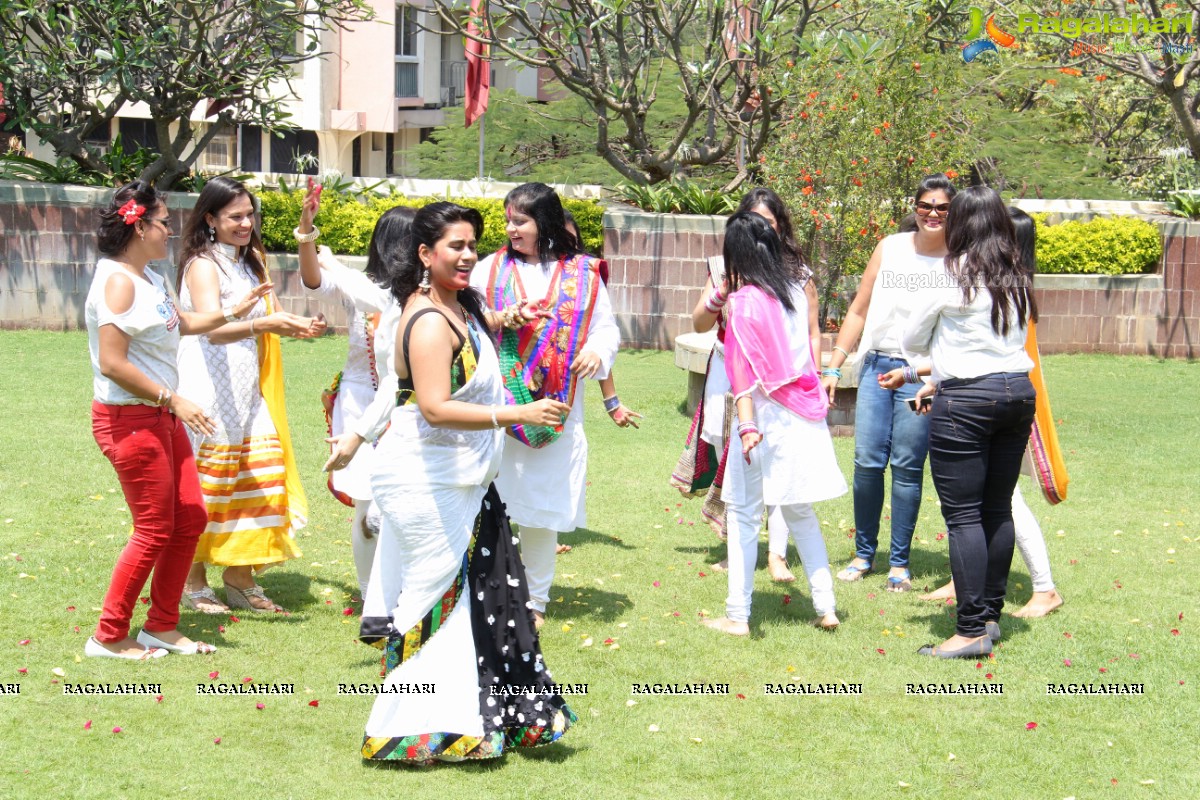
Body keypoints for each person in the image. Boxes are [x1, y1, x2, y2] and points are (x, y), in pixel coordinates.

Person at [353, 202, 575, 763]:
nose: (469, 255)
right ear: (425, 255)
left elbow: (479, 336)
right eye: (455, 246)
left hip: (461, 475)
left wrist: (513, 315)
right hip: (424, 475)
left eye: (473, 245)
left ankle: (464, 721)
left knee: (465, 598)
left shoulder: (459, 305)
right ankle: (404, 725)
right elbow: (433, 407)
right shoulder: (426, 320)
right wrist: (516, 416)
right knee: (432, 595)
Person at [84, 181, 270, 659]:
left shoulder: (149, 277)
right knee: (152, 528)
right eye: (163, 222)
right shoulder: (118, 280)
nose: (170, 230)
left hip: (160, 416)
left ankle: (162, 626)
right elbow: (112, 361)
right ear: (139, 224)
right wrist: (174, 399)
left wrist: (234, 310)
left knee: (189, 517)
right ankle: (108, 636)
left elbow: (182, 322)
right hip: (130, 419)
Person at [892, 208, 1064, 617]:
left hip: (969, 400)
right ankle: (986, 608)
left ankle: (974, 624)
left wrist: (929, 363)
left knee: (966, 515)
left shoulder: (954, 274)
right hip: (1016, 395)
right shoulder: (1016, 279)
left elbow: (913, 337)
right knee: (999, 507)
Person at [469, 183, 621, 629]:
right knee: (487, 497)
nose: (511, 229)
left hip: (558, 408)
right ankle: (482, 587)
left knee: (540, 507)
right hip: (498, 405)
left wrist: (597, 351)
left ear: (545, 222)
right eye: (508, 220)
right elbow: (465, 323)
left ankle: (535, 602)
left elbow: (606, 328)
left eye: (521, 221)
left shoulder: (583, 273)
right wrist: (499, 319)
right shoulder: (486, 271)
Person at [175, 177, 326, 614]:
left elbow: (265, 317)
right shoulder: (204, 265)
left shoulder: (249, 261)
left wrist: (295, 324)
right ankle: (193, 581)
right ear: (210, 219)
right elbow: (213, 329)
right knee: (210, 485)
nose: (245, 223)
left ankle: (240, 578)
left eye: (249, 215)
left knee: (261, 475)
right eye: (234, 216)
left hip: (249, 387)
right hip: (208, 384)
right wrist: (264, 326)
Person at [702, 212, 847, 636]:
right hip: (803, 414)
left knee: (745, 517)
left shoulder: (743, 302)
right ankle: (826, 606)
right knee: (801, 513)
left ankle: (737, 616)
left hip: (764, 419)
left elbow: (743, 375)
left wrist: (746, 428)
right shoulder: (796, 290)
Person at [821, 173, 957, 593]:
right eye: (925, 205)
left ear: (954, 213)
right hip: (877, 366)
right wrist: (834, 365)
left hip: (920, 374)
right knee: (866, 463)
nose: (932, 214)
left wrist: (933, 376)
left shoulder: (960, 259)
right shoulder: (890, 248)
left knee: (908, 466)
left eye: (942, 208)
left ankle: (899, 563)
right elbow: (859, 310)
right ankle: (864, 555)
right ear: (914, 207)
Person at [674, 187, 818, 582]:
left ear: (779, 228)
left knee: (778, 461)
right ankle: (739, 545)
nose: (759, 232)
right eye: (752, 222)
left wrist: (819, 377)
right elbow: (700, 324)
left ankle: (777, 555)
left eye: (767, 224)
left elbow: (811, 333)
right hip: (727, 370)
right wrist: (723, 291)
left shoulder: (795, 273)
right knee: (732, 456)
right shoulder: (723, 268)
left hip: (779, 382)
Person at [296, 182, 415, 595]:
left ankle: (397, 586)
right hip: (360, 403)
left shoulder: (412, 295)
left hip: (405, 407)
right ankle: (370, 593)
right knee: (367, 505)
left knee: (396, 504)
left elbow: (372, 297)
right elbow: (313, 279)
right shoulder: (358, 286)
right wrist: (307, 235)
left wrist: (330, 261)